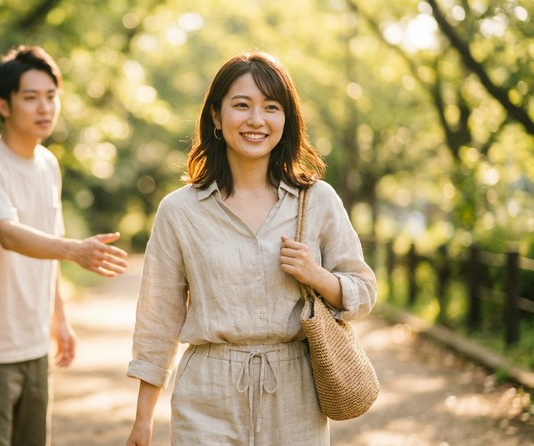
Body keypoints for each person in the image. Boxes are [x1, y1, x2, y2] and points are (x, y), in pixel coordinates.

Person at [125, 51, 377, 445]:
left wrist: (319, 277)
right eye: (241, 105)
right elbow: (159, 317)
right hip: (206, 393)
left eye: (271, 107)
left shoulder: (318, 201)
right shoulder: (179, 211)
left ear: (285, 119)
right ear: (216, 117)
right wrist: (143, 419)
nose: (256, 120)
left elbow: (364, 292)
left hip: (295, 395)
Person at [0, 45, 129, 446]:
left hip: (32, 345)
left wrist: (58, 320)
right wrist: (75, 250)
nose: (44, 107)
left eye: (51, 96)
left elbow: (47, 244)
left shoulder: (48, 164)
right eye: (31, 98)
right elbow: (7, 234)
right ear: (4, 105)